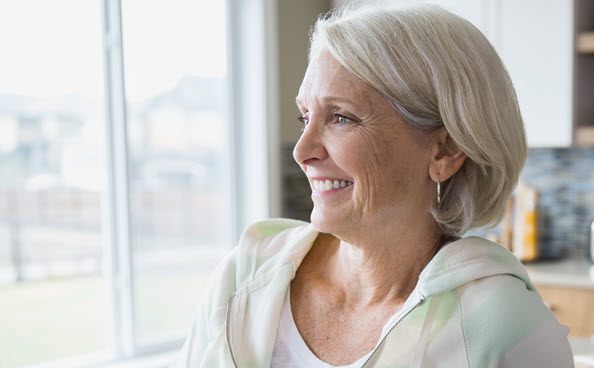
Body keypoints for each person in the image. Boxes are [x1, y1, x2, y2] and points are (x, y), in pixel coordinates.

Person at [173, 4, 573, 367]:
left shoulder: (499, 322)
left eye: (341, 117)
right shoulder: (243, 277)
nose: (302, 150)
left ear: (444, 151)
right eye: (305, 116)